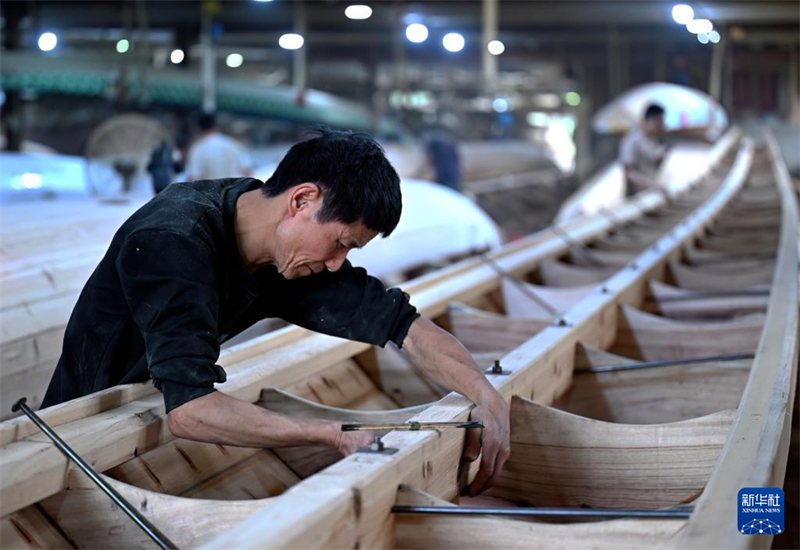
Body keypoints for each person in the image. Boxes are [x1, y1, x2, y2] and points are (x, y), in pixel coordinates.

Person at [42, 129, 509, 495]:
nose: (336, 264)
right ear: (302, 200)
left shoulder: (280, 252)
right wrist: (332, 435)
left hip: (143, 411)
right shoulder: (174, 241)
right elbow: (189, 411)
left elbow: (405, 328)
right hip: (73, 432)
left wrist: (487, 397)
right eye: (341, 243)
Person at [620, 103, 670, 197]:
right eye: (658, 121)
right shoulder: (632, 141)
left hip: (651, 195)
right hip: (636, 198)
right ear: (648, 120)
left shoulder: (654, 141)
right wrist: (652, 185)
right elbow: (630, 172)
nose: (661, 125)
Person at [185, 112, 252, 180]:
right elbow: (247, 172)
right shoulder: (234, 144)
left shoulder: (199, 149)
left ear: (198, 128)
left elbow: (194, 178)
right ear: (216, 126)